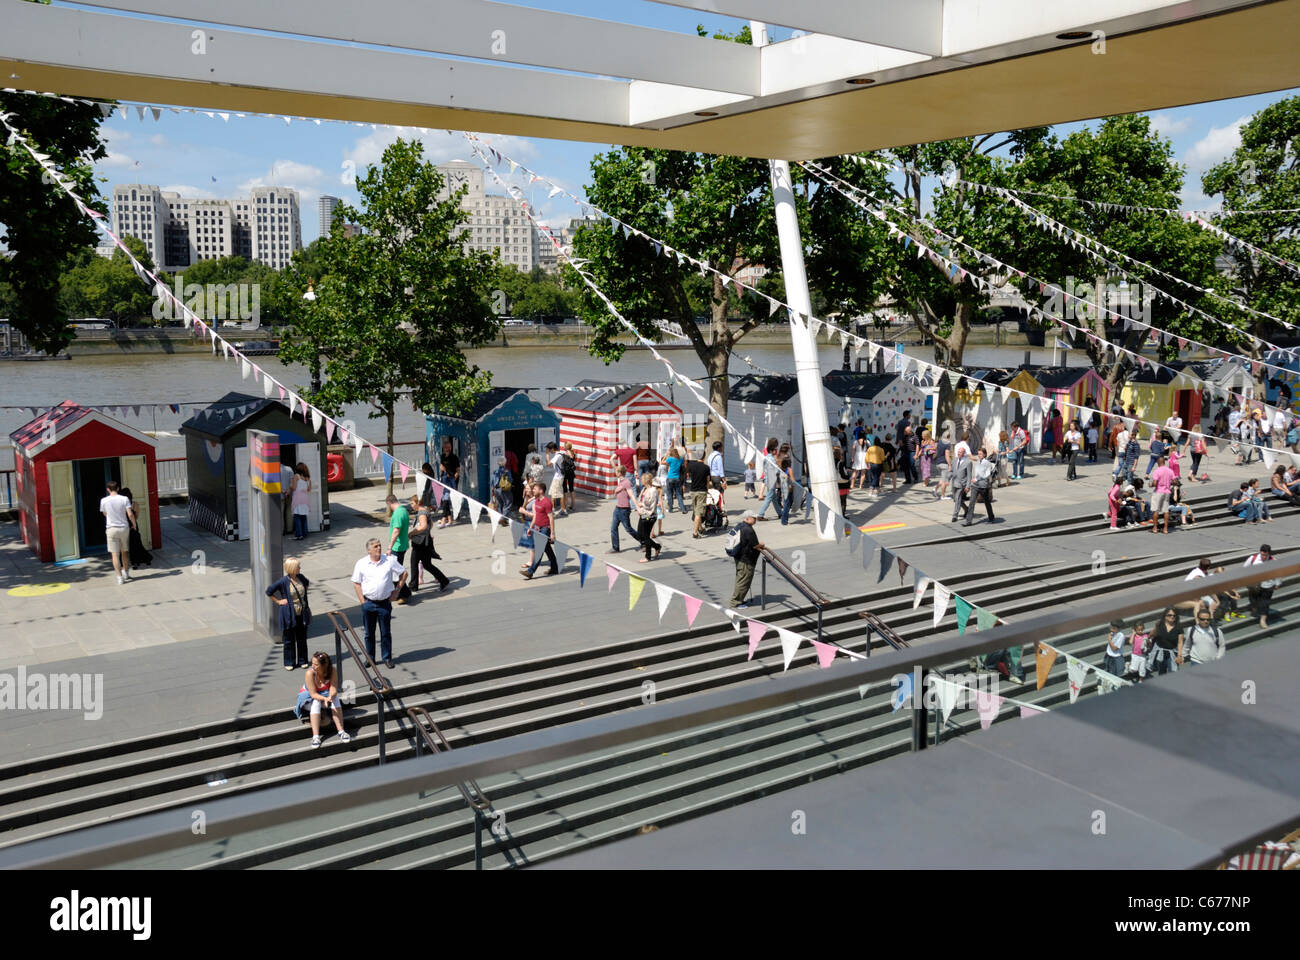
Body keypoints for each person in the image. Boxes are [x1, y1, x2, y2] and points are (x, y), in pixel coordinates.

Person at [351, 538, 406, 669]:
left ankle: (387, 657)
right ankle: (370, 658)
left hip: (384, 603)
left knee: (385, 632)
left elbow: (404, 573)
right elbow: (356, 582)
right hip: (368, 603)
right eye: (375, 546)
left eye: (380, 546)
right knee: (369, 633)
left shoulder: (389, 560)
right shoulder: (362, 563)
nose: (379, 548)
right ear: (369, 550)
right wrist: (362, 601)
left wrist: (396, 591)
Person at [294, 651, 350, 748]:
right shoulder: (310, 673)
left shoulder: (332, 670)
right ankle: (316, 736)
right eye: (312, 663)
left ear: (324, 665)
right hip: (309, 699)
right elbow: (313, 694)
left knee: (335, 698)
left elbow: (333, 688)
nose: (313, 666)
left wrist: (330, 697)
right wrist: (324, 698)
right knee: (316, 702)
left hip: (325, 696)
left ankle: (341, 731)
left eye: (316, 664)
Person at [266, 556, 311, 670]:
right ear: (292, 568)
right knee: (289, 639)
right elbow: (269, 591)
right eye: (298, 566)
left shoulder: (301, 577)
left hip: (301, 612)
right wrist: (279, 601)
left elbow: (307, 584)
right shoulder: (283, 581)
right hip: (289, 614)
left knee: (302, 638)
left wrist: (302, 597)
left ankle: (303, 661)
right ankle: (289, 662)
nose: (300, 568)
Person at [407, 493, 449, 593]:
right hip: (426, 541)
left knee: (414, 563)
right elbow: (431, 524)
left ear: (417, 503)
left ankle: (413, 586)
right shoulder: (425, 511)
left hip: (420, 543)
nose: (411, 505)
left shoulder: (421, 513)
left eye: (412, 503)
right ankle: (444, 580)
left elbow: (424, 526)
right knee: (426, 564)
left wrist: (412, 533)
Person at [521, 481, 560, 580]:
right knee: (547, 548)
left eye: (535, 489)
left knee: (539, 550)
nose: (533, 490)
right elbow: (536, 517)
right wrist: (531, 528)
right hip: (537, 528)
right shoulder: (537, 501)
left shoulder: (546, 502)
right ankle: (555, 568)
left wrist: (552, 533)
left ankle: (530, 572)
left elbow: (551, 518)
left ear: (541, 491)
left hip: (545, 529)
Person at [100, 480, 136, 585]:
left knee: (115, 555)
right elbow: (130, 514)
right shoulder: (124, 499)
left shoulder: (104, 500)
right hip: (124, 528)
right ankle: (126, 572)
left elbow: (104, 514)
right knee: (125, 551)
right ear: (118, 488)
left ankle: (119, 577)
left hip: (111, 528)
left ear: (108, 489)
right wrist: (134, 524)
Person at [728, 510, 764, 609]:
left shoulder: (740, 526)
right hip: (746, 560)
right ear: (747, 518)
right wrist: (762, 545)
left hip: (740, 558)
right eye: (754, 518)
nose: (755, 520)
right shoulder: (748, 529)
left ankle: (739, 599)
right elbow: (755, 545)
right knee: (743, 581)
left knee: (741, 579)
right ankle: (735, 602)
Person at [1244, 544, 1280, 629]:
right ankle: (1254, 608)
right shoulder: (1253, 559)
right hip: (1254, 584)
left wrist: (1277, 583)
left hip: (1268, 585)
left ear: (1269, 554)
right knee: (1253, 599)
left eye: (1266, 555)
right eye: (1262, 555)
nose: (1264, 557)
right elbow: (1245, 568)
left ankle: (1263, 620)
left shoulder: (1273, 561)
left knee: (1265, 602)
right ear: (1260, 552)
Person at [385, 494, 412, 604]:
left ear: (389, 503)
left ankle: (404, 593)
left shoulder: (397, 514)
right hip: (403, 545)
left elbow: (396, 530)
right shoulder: (404, 510)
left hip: (397, 547)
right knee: (397, 570)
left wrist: (389, 547)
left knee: (396, 572)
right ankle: (403, 592)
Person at [607, 465, 641, 553]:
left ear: (619, 473)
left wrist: (637, 506)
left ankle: (644, 542)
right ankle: (615, 547)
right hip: (617, 508)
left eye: (616, 471)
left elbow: (631, 495)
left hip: (624, 509)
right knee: (613, 528)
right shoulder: (621, 482)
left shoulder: (626, 482)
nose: (615, 473)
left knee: (628, 529)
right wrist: (617, 490)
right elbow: (618, 494)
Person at [118, 486, 152, 568]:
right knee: (136, 544)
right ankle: (140, 560)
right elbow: (136, 516)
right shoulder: (134, 504)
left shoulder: (120, 505)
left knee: (122, 545)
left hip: (123, 526)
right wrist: (134, 524)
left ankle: (122, 562)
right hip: (133, 525)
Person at [634, 473, 663, 563]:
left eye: (642, 479)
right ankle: (657, 546)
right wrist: (640, 509)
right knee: (640, 534)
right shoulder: (644, 489)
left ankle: (648, 556)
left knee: (646, 536)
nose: (641, 480)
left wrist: (642, 505)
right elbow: (641, 500)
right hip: (643, 514)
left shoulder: (653, 490)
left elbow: (652, 506)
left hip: (649, 515)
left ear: (646, 480)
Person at [963, 448, 996, 526]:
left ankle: (991, 517)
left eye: (980, 454)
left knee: (987, 502)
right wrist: (973, 479)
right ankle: (968, 521)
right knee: (972, 502)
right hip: (975, 485)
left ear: (984, 454)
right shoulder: (977, 462)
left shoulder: (987, 463)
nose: (979, 455)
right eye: (978, 453)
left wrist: (976, 479)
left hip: (983, 486)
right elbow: (977, 473)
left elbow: (987, 475)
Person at [687, 447, 712, 539]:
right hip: (702, 491)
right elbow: (707, 481)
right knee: (698, 513)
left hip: (693, 491)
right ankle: (695, 533)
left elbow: (688, 474)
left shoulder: (692, 466)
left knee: (696, 510)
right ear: (704, 456)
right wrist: (708, 490)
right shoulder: (706, 468)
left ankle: (700, 528)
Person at [1148, 607, 1181, 676]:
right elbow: (1150, 635)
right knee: (1161, 673)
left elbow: (1180, 642)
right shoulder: (1159, 624)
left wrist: (1179, 655)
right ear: (1165, 616)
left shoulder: (1178, 627)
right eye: (1169, 615)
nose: (1172, 617)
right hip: (1160, 653)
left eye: (1174, 615)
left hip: (1172, 654)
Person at [1149, 455, 1175, 535]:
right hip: (1167, 492)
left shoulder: (1157, 471)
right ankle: (1165, 529)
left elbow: (1154, 483)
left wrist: (1150, 484)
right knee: (1166, 511)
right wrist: (1168, 483)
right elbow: (1174, 481)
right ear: (1164, 462)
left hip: (1158, 492)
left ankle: (1155, 528)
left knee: (1155, 510)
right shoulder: (1170, 471)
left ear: (1158, 462)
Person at [438, 438, 461, 527]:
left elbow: (458, 469)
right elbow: (441, 466)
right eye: (445, 447)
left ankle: (455, 515)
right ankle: (447, 518)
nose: (447, 449)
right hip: (444, 479)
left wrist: (456, 475)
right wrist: (442, 470)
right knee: (445, 499)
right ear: (443, 448)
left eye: (448, 447)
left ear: (450, 448)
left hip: (452, 480)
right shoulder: (442, 456)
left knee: (454, 498)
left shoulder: (454, 457)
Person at [949, 446, 972, 523]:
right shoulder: (954, 460)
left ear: (964, 453)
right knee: (956, 499)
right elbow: (951, 471)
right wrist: (947, 479)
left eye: (960, 452)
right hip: (954, 483)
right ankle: (967, 509)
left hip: (962, 484)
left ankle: (955, 515)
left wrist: (968, 486)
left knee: (958, 498)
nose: (958, 453)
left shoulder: (968, 462)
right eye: (958, 452)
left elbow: (969, 475)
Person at [290, 462, 311, 540]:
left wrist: (291, 485)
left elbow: (294, 487)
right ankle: (305, 533)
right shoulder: (307, 478)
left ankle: (299, 534)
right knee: (303, 516)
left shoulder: (296, 476)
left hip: (298, 498)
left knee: (297, 516)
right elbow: (309, 489)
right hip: (305, 498)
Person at [664, 445, 687, 514]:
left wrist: (666, 455)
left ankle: (671, 509)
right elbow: (684, 461)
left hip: (670, 477)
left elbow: (662, 462)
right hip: (677, 478)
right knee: (679, 494)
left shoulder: (670, 459)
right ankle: (683, 508)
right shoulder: (680, 459)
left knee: (670, 494)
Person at [492, 457, 514, 522]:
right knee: (508, 503)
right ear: (505, 463)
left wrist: (492, 489)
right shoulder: (507, 471)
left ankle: (500, 517)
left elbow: (493, 481)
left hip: (496, 489)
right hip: (504, 489)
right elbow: (510, 480)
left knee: (500, 503)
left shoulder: (495, 471)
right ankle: (504, 518)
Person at [561, 441, 578, 513]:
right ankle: (573, 505)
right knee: (571, 489)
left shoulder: (565, 453)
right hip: (571, 473)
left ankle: (565, 505)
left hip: (565, 473)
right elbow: (572, 459)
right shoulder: (573, 452)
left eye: (564, 445)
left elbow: (564, 462)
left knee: (565, 489)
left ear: (566, 446)